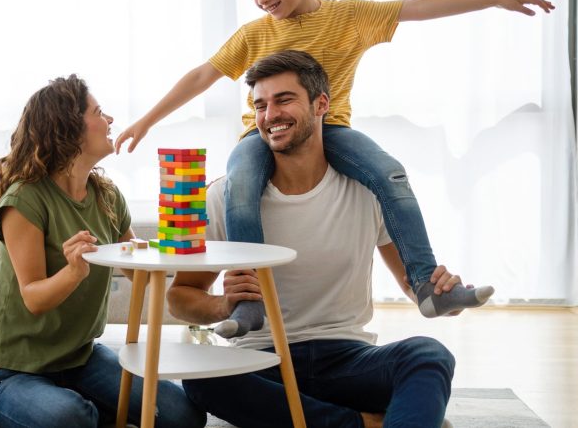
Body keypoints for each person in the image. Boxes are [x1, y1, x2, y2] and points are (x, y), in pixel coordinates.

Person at [117, 0, 551, 338]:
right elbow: (201, 75)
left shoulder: (350, 16)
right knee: (241, 184)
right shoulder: (254, 34)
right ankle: (251, 305)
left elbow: (416, 6)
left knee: (389, 173)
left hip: (332, 129)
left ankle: (426, 286)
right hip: (260, 134)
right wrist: (148, 121)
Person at [168, 50, 469, 427]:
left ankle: (316, 419)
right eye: (260, 105)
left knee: (429, 355)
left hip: (347, 360)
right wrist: (222, 306)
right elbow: (180, 297)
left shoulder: (367, 192)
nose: (270, 115)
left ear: (321, 103)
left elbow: (412, 284)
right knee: (202, 376)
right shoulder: (221, 195)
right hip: (263, 359)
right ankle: (365, 424)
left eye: (284, 100)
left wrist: (443, 298)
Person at [0, 74, 205, 428]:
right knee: (70, 418)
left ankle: (85, 406)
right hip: (13, 371)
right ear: (67, 128)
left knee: (183, 417)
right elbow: (34, 298)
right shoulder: (24, 199)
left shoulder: (107, 196)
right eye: (99, 112)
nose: (110, 120)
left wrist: (169, 247)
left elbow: (135, 271)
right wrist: (73, 271)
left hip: (80, 359)